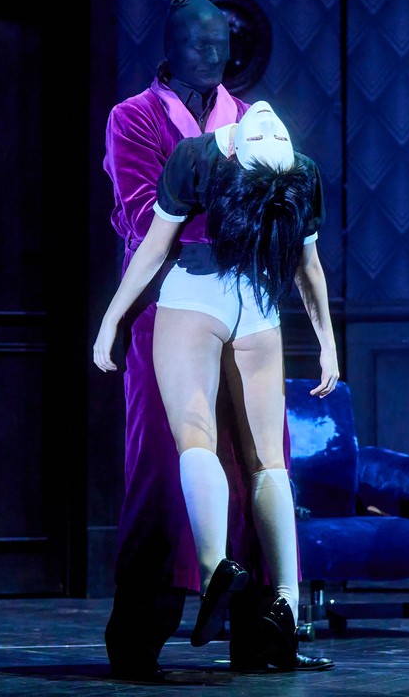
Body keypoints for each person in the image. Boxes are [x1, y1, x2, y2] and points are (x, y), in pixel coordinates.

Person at [97, 95, 338, 673]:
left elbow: (154, 247)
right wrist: (327, 341)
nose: (270, 120)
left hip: (196, 298)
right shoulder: (302, 172)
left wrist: (112, 318)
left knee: (195, 434)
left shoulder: (196, 156)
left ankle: (214, 571)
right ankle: (284, 599)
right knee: (266, 460)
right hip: (257, 307)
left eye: (272, 136)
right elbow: (308, 269)